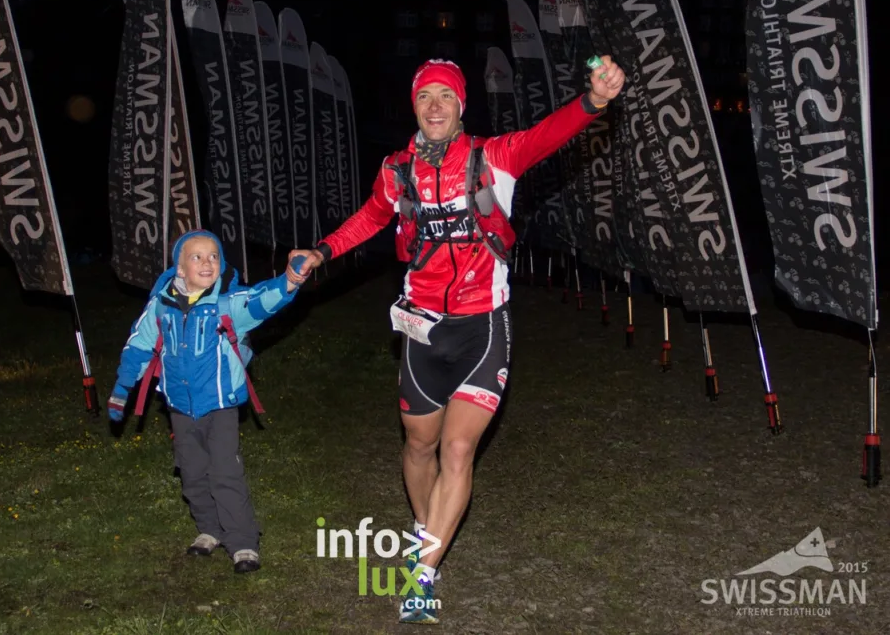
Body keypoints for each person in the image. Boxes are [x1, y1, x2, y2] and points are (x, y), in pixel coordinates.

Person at [285, 56, 626, 623]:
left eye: (446, 96)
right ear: (415, 107)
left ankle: (422, 576)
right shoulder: (397, 171)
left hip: (483, 325)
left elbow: (549, 134)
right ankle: (428, 532)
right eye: (425, 98)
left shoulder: (495, 157)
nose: (435, 106)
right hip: (422, 330)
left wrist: (593, 101)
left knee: (457, 449)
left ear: (461, 105)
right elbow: (371, 218)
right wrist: (321, 251)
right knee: (419, 446)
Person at [107, 229, 302, 574]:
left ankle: (242, 542)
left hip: (221, 405)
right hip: (180, 407)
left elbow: (260, 299)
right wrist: (122, 389)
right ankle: (209, 528)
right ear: (179, 269)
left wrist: (289, 280)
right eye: (196, 256)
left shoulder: (226, 305)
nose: (207, 262)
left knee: (225, 471)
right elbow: (138, 346)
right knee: (193, 471)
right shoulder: (161, 306)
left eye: (213, 256)